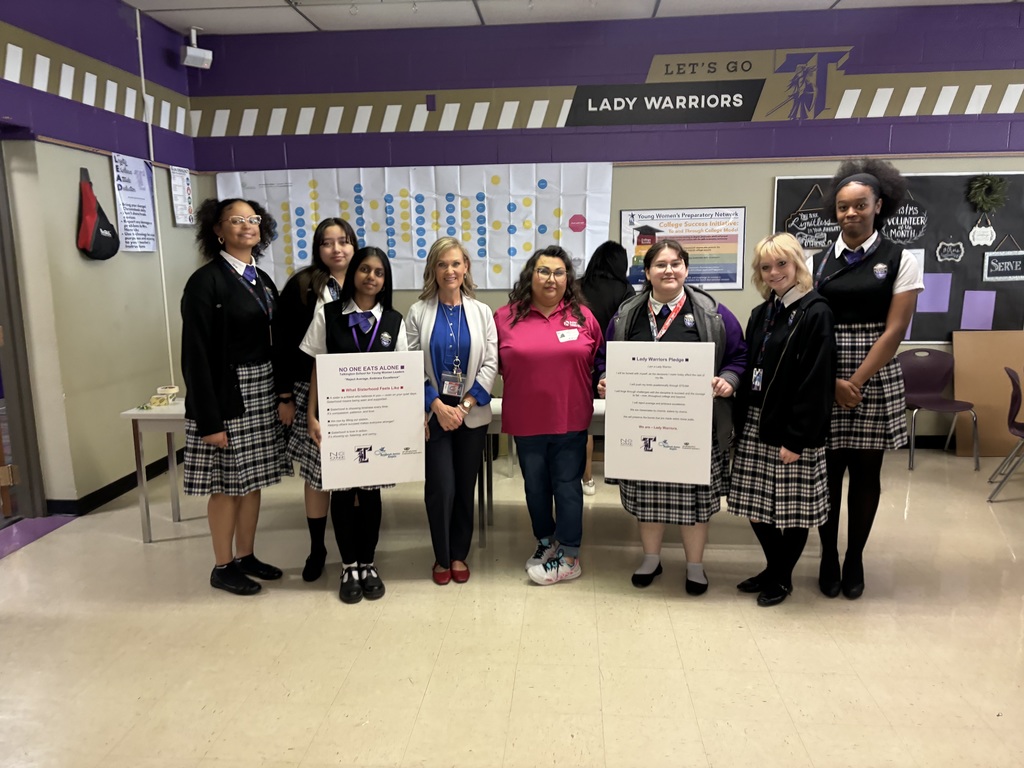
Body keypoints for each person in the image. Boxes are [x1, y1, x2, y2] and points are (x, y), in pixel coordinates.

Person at [598, 240, 746, 594]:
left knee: (695, 500)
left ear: (686, 269)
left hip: (694, 427)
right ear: (647, 273)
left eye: (676, 263)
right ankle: (651, 558)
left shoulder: (714, 314)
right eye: (660, 264)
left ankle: (695, 566)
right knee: (647, 498)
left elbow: (739, 356)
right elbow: (604, 358)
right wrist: (604, 378)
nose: (669, 270)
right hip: (642, 425)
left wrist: (728, 380)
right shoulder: (626, 315)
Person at [813, 158, 923, 600]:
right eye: (842, 207)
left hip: (873, 372)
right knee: (825, 471)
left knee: (865, 473)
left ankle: (854, 555)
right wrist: (831, 381)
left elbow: (895, 330)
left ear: (879, 205)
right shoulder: (816, 260)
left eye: (860, 205)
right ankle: (826, 555)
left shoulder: (901, 259)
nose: (850, 214)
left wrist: (853, 381)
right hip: (823, 368)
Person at [181, 198, 293, 596]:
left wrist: (282, 394)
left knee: (252, 479)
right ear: (217, 229)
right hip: (228, 392)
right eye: (236, 220)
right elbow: (195, 355)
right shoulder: (205, 282)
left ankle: (246, 555)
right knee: (228, 484)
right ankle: (222, 564)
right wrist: (209, 421)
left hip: (261, 387)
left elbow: (274, 341)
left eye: (253, 219)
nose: (247, 226)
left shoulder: (259, 278)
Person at [728, 233, 836, 606]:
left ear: (797, 265)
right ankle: (774, 568)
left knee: (792, 510)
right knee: (756, 507)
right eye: (766, 267)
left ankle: (782, 576)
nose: (774, 273)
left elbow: (816, 381)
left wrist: (798, 438)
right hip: (758, 420)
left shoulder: (816, 311)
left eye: (782, 264)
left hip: (793, 426)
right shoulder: (762, 314)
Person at [301, 246, 409, 604]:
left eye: (379, 272)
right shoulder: (328, 314)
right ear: (354, 273)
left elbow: (403, 375)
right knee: (344, 493)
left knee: (371, 493)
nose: (371, 277)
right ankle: (349, 565)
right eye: (365, 269)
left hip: (376, 422)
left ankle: (369, 562)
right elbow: (317, 366)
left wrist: (404, 422)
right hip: (339, 419)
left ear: (385, 280)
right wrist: (312, 414)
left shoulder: (394, 321)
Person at [495, 246, 602, 585]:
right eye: (543, 271)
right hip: (526, 421)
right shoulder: (505, 317)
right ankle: (545, 542)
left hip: (570, 419)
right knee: (535, 487)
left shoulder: (583, 317)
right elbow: (489, 362)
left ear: (568, 278)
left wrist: (604, 377)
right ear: (531, 276)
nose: (551, 279)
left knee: (567, 486)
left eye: (558, 272)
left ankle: (569, 554)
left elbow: (600, 360)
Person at [406, 237, 498, 585]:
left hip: (469, 413)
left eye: (456, 263)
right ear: (433, 269)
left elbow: (490, 363)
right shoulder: (418, 312)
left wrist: (465, 405)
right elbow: (411, 363)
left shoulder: (480, 312)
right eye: (442, 264)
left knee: (464, 485)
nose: (450, 270)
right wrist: (435, 404)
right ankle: (440, 555)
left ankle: (458, 554)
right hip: (434, 414)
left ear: (466, 268)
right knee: (441, 487)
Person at [278, 217, 357, 582]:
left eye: (343, 241)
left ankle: (355, 546)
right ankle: (316, 547)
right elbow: (281, 342)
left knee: (353, 469)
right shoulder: (303, 286)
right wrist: (285, 396)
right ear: (317, 249)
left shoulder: (365, 281)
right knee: (316, 472)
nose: (336, 249)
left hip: (357, 390)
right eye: (328, 243)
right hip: (310, 388)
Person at [579, 240, 635, 496]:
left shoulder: (577, 286)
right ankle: (621, 474)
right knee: (619, 419)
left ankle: (587, 477)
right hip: (614, 364)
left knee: (583, 421)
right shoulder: (625, 289)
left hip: (579, 362)